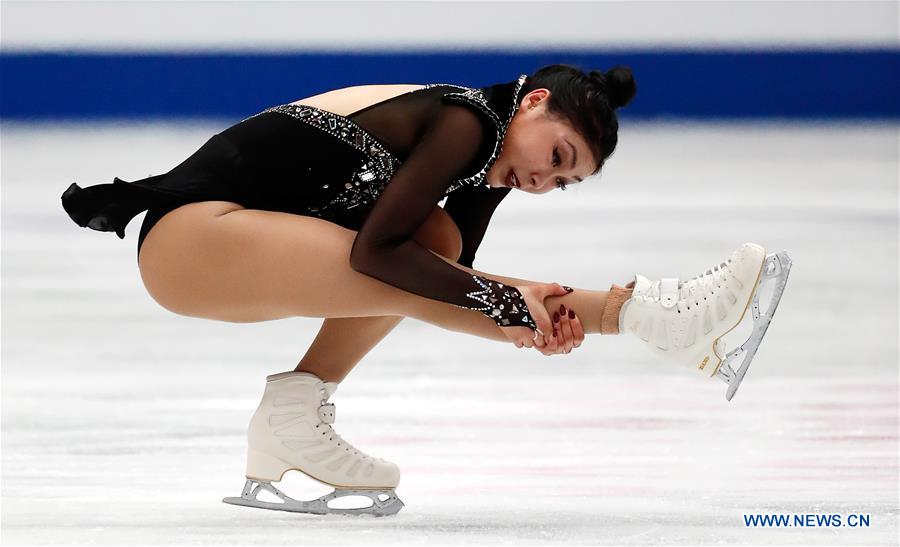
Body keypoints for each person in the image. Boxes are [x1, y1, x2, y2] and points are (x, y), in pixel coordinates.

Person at [60, 64, 791, 516]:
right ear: (533, 103)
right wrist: (513, 306)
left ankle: (292, 414)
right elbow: (384, 257)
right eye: (556, 154)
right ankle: (655, 318)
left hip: (232, 245)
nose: (544, 179)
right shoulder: (465, 121)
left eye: (563, 181)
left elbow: (448, 281)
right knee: (417, 263)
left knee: (437, 247)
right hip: (192, 240)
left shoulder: (484, 167)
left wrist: (526, 316)